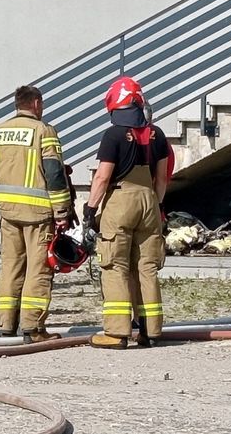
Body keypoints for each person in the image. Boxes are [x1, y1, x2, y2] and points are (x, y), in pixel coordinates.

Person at [0, 85, 72, 343]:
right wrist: (62, 210)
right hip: (38, 213)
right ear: (37, 104)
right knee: (39, 269)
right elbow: (54, 173)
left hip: (8, 213)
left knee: (11, 266)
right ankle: (33, 327)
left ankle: (6, 324)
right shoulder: (44, 131)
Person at [85, 76, 169, 350]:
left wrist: (90, 209)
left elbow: (102, 177)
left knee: (115, 265)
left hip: (120, 201)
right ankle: (151, 330)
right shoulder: (158, 134)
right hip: (149, 202)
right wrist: (155, 205)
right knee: (147, 267)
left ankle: (117, 332)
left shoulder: (113, 135)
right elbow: (162, 179)